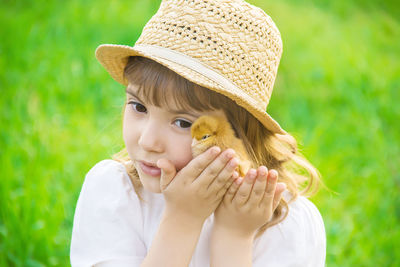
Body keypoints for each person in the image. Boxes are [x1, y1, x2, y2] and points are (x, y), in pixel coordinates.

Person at [70, 0, 326, 266]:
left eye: (182, 123)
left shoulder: (285, 224)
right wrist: (182, 219)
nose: (147, 141)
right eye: (139, 106)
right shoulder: (115, 194)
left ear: (240, 136)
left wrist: (234, 236)